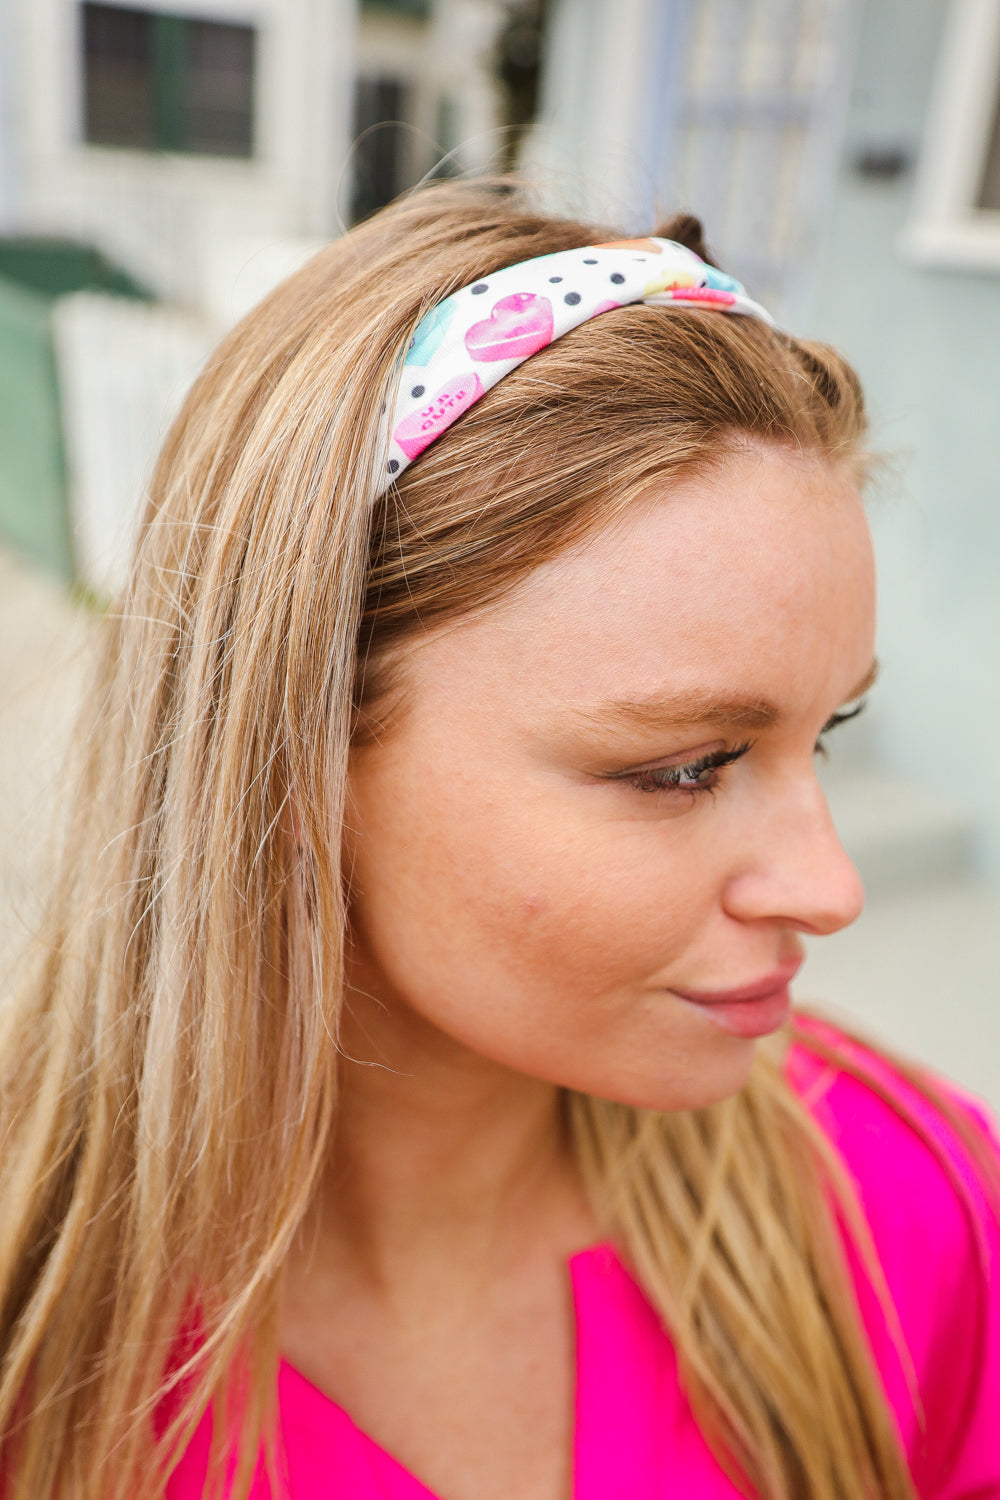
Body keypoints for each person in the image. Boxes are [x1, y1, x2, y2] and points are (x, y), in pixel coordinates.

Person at [1, 181, 999, 1500]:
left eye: (823, 734)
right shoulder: (40, 1355)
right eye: (683, 768)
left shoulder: (914, 1210)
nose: (830, 888)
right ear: (292, 762)